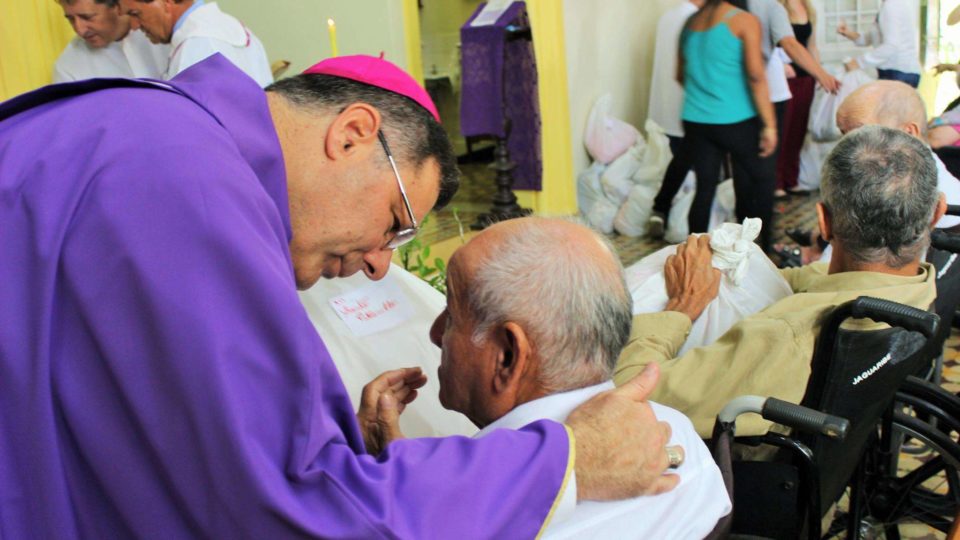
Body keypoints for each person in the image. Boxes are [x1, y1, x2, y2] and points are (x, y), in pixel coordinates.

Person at [0, 53, 680, 537]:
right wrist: (564, 459)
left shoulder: (147, 132)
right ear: (353, 135)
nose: (384, 265)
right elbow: (286, 508)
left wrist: (341, 448)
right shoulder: (191, 182)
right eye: (393, 222)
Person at [359, 217, 731, 538]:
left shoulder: (490, 518)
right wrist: (406, 480)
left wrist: (399, 495)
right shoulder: (676, 433)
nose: (436, 333)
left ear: (507, 356)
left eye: (452, 314)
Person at [618, 126, 943, 437]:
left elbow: (633, 394)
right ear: (936, 212)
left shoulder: (788, 336)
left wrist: (680, 308)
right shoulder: (917, 288)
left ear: (823, 223)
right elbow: (810, 279)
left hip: (752, 471)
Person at [647, 0, 779, 252]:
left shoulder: (691, 22)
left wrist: (705, 98)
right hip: (736, 119)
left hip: (696, 119)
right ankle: (765, 249)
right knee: (761, 179)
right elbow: (755, 75)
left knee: (705, 187)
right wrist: (770, 125)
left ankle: (696, 253)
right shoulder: (743, 20)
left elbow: (679, 74)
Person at [784, 80, 960, 266]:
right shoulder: (901, 173)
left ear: (908, 132)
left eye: (861, 134)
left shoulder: (895, 192)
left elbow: (836, 273)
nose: (846, 148)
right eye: (844, 135)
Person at [118, 0, 272, 86]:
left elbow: (194, 124)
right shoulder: (230, 27)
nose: (134, 26)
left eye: (135, 14)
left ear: (167, 2)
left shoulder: (198, 43)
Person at [53, 0, 168, 82]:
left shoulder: (163, 31)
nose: (80, 30)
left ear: (117, 6)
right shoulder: (69, 66)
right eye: (71, 19)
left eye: (87, 17)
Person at [774, 0, 820, 197]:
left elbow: (811, 46)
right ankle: (776, 183)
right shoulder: (776, 8)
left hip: (805, 78)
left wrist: (818, 73)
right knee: (782, 130)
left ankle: (791, 180)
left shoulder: (808, 8)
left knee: (798, 130)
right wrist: (780, 67)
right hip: (784, 79)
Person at [648, 0, 703, 156]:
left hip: (664, 108)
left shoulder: (667, 17)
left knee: (672, 166)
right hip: (688, 109)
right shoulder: (698, 19)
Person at [838, 0, 921, 88]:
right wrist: (847, 33)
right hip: (897, 73)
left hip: (898, 73)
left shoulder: (892, 6)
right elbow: (871, 38)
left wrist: (858, 62)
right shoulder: (889, 5)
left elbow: (891, 46)